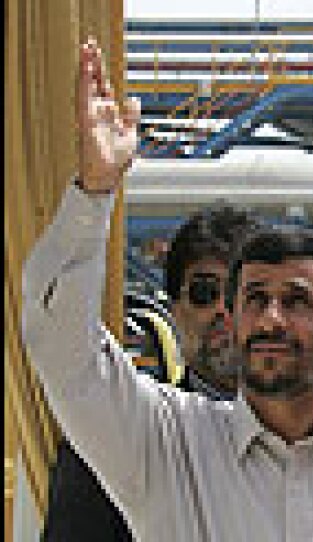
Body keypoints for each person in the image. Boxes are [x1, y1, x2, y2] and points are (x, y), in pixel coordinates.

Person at [22, 39, 313, 541]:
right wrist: (94, 195)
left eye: (297, 301)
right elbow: (58, 343)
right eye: (254, 299)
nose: (270, 320)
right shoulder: (165, 444)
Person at [42, 203, 263, 542]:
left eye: (241, 294)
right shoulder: (111, 439)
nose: (223, 309)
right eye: (205, 292)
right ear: (176, 309)